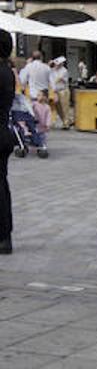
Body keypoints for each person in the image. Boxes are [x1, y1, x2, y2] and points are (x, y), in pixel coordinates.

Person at [0, 31, 14, 253]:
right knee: (1, 184)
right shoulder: (7, 71)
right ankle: (5, 236)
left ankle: (3, 236)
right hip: (3, 132)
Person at [30, 91, 52, 158]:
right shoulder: (34, 104)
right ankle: (36, 145)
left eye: (39, 95)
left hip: (42, 125)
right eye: (37, 95)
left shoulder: (47, 107)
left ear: (44, 97)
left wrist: (48, 124)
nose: (37, 97)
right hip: (34, 124)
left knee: (42, 137)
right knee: (34, 135)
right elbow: (29, 110)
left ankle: (43, 147)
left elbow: (48, 116)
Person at [50, 57, 70, 129]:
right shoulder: (52, 70)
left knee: (64, 107)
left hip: (63, 91)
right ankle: (64, 121)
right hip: (56, 91)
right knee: (58, 107)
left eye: (58, 64)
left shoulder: (64, 71)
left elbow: (59, 79)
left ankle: (66, 123)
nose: (56, 65)